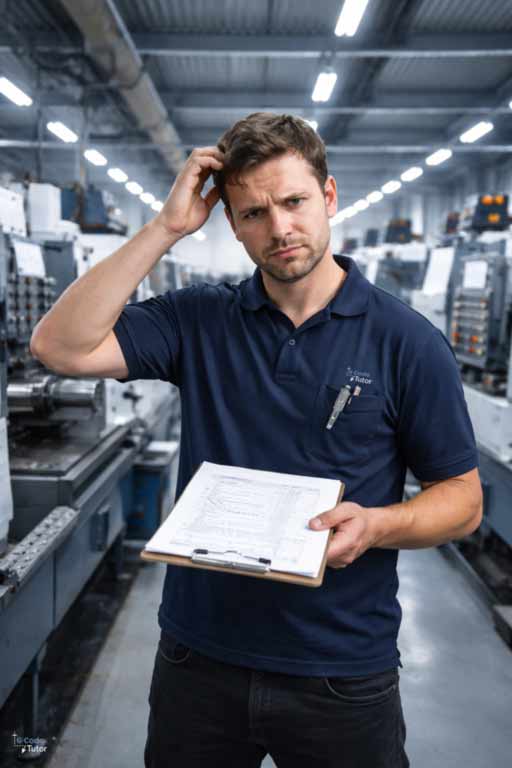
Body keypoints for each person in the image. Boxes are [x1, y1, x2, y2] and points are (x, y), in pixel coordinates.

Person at [30, 113, 482, 768]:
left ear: (328, 197)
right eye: (252, 214)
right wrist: (166, 228)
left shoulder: (405, 341)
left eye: (294, 202)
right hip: (199, 660)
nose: (279, 229)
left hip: (340, 668)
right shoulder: (200, 320)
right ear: (232, 224)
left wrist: (379, 524)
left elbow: (463, 500)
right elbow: (58, 347)